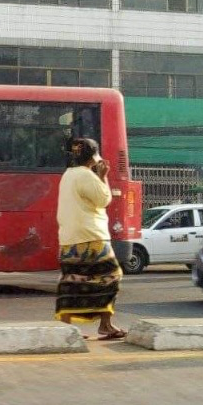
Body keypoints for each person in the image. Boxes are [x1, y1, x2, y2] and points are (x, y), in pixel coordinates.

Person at [54, 137, 126, 340]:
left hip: (69, 237)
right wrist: (103, 177)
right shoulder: (86, 175)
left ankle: (66, 327)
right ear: (92, 158)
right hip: (91, 237)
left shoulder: (68, 175)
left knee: (72, 281)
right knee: (111, 276)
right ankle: (106, 324)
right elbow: (104, 199)